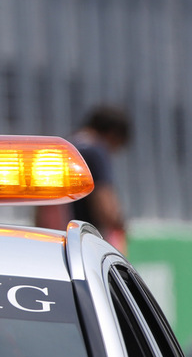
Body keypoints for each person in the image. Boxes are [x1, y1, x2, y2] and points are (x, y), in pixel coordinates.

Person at [36, 105, 131, 251]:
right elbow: (105, 208)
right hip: (82, 243)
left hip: (53, 240)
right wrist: (119, 224)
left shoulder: (65, 147)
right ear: (113, 135)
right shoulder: (95, 151)